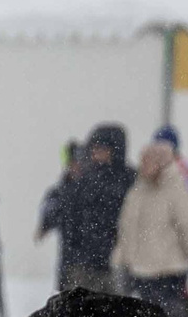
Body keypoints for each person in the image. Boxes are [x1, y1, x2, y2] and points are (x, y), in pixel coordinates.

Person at [113, 125, 188, 317]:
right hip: (141, 274)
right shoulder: (137, 191)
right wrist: (120, 262)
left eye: (151, 161)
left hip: (170, 274)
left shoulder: (176, 191)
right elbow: (127, 231)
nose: (145, 166)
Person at [43, 124, 133, 295]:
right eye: (94, 148)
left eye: (102, 148)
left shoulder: (127, 181)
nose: (96, 153)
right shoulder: (83, 179)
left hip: (116, 265)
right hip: (83, 266)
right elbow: (63, 212)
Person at [37, 141, 84, 290]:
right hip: (69, 261)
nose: (76, 167)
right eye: (72, 163)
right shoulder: (60, 190)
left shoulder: (92, 189)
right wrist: (44, 225)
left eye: (79, 163)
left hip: (91, 264)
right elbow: (49, 211)